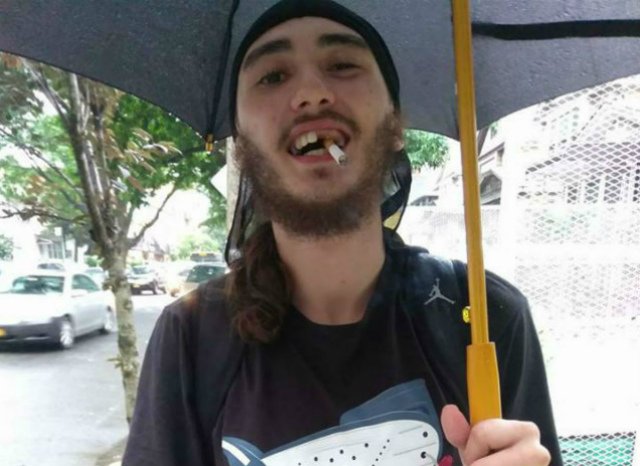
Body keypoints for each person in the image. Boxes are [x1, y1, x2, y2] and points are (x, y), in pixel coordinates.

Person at [123, 1, 561, 465]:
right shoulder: (191, 337)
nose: (312, 93)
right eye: (273, 76)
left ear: (396, 125)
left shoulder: (486, 316)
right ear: (241, 145)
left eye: (342, 65)